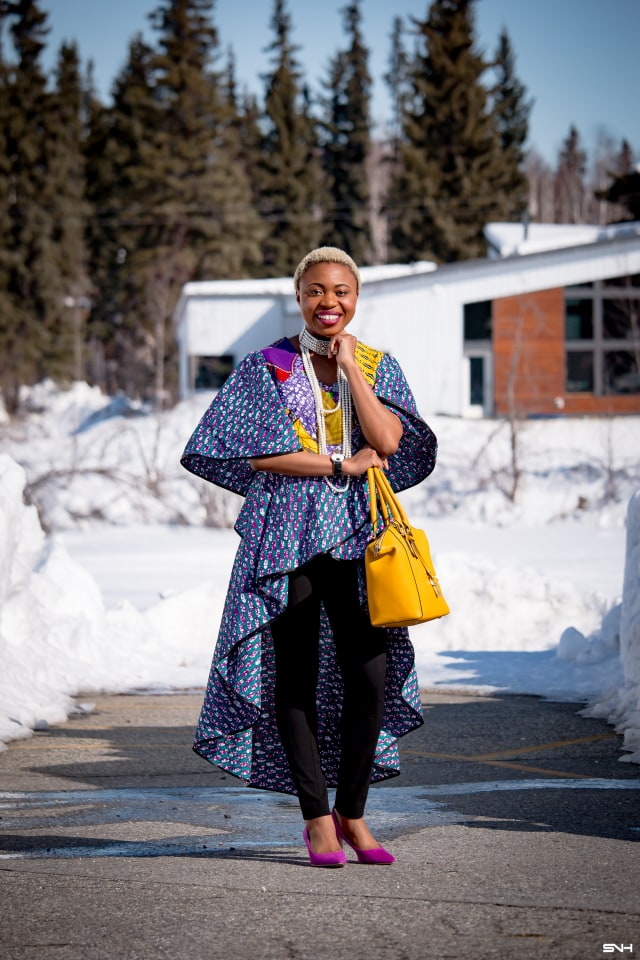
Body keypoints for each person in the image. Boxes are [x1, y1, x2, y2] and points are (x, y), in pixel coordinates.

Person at [181, 246, 437, 867]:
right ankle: (317, 819)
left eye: (342, 292)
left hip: (359, 537)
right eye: (317, 290)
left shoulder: (377, 364)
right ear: (299, 296)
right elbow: (250, 453)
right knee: (293, 677)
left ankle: (354, 812)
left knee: (370, 675)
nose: (330, 302)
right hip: (287, 537)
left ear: (356, 299)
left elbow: (389, 441)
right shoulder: (267, 365)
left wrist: (351, 370)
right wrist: (337, 465)